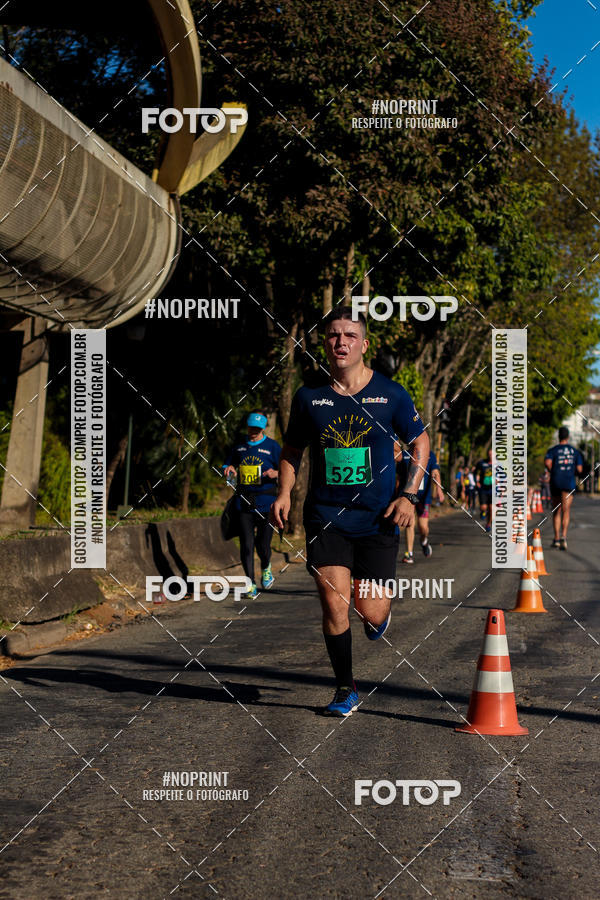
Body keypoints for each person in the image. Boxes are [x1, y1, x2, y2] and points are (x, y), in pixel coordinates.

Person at [271, 305, 429, 717]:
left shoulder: (391, 394)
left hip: (378, 517)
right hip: (327, 516)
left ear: (364, 344)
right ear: (325, 343)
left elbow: (421, 442)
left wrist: (409, 493)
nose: (341, 342)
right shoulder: (310, 398)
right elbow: (292, 450)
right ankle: (345, 688)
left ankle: (376, 614)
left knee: (370, 610)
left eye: (349, 336)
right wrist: (284, 492)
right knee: (333, 601)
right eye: (333, 335)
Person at [223, 413, 281, 597]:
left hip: (266, 504)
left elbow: (287, 469)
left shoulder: (272, 446)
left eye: (257, 429)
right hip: (244, 502)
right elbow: (228, 464)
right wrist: (229, 469)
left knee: (263, 545)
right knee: (246, 545)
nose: (253, 432)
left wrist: (276, 473)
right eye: (250, 428)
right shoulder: (239, 446)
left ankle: (266, 566)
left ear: (263, 428)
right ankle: (250, 583)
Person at [397, 448, 444, 563]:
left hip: (424, 498)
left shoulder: (430, 454)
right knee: (409, 523)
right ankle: (409, 554)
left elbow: (435, 473)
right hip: (409, 495)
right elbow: (399, 477)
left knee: (423, 528)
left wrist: (438, 489)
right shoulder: (404, 455)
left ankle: (424, 540)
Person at [544, 426, 584, 551]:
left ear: (558, 437)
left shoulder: (553, 450)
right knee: (566, 510)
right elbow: (579, 469)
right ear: (568, 437)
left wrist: (553, 471)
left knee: (557, 511)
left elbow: (547, 462)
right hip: (568, 483)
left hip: (555, 481)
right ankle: (564, 537)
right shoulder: (575, 451)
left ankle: (556, 539)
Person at [475, 449, 494, 532]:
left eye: (492, 454)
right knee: (484, 507)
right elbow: (476, 472)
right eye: (489, 454)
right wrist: (477, 481)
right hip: (483, 488)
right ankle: (483, 511)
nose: (491, 456)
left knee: (491, 509)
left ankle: (488, 524)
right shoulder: (482, 463)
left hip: (493, 489)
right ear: (487, 454)